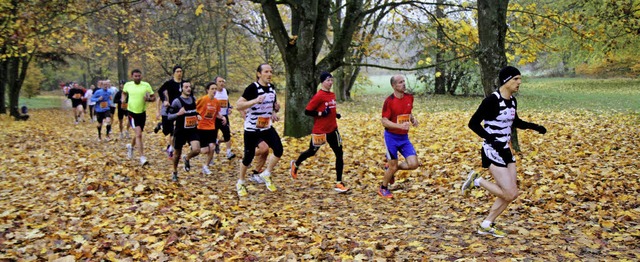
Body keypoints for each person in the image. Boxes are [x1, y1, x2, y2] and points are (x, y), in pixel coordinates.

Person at [462, 66, 547, 238]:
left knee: (512, 193)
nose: (519, 83)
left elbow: (516, 121)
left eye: (520, 79)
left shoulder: (512, 101)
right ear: (506, 81)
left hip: (506, 150)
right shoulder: (491, 101)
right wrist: (491, 138)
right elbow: (473, 123)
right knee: (508, 192)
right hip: (492, 150)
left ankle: (486, 224)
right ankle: (477, 181)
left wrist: (535, 127)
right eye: (516, 79)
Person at [290, 72, 349, 193]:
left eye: (332, 80)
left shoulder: (332, 94)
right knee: (312, 152)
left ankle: (339, 182)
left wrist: (335, 114)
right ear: (322, 82)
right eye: (328, 80)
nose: (330, 82)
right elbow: (308, 111)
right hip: (320, 131)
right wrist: (321, 114)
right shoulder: (318, 96)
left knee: (339, 153)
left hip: (333, 129)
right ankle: (296, 164)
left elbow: (330, 108)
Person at [234, 63, 282, 196]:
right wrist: (254, 101)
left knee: (278, 150)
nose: (269, 74)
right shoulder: (252, 88)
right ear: (259, 74)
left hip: (266, 127)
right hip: (252, 128)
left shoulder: (272, 88)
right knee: (248, 157)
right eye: (266, 72)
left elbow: (272, 106)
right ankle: (241, 182)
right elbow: (238, 105)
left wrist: (274, 111)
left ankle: (266, 173)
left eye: (271, 72)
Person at [378, 75, 420, 198]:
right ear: (394, 86)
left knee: (413, 164)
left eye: (403, 82)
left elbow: (407, 112)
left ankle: (391, 169)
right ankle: (383, 188)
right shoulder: (389, 101)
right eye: (400, 82)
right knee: (393, 165)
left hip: (404, 138)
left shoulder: (409, 98)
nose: (403, 84)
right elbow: (384, 121)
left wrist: (413, 119)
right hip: (391, 138)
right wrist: (400, 126)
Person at [167, 81, 201, 182]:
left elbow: (195, 111)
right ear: (181, 89)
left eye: (190, 87)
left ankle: (186, 158)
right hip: (180, 131)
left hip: (192, 130)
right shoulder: (177, 101)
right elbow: (169, 116)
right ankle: (174, 171)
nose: (188, 89)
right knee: (177, 153)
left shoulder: (193, 99)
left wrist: (197, 115)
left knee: (197, 150)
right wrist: (178, 113)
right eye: (186, 87)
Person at [122, 69, 156, 166]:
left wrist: (148, 99)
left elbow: (154, 97)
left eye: (139, 76)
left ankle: (131, 146)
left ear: (141, 76)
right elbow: (124, 93)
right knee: (139, 134)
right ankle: (142, 157)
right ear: (132, 76)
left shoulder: (146, 85)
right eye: (135, 76)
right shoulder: (128, 85)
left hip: (142, 113)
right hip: (131, 112)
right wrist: (123, 100)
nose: (137, 77)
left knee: (138, 134)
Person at [196, 82, 225, 175]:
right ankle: (192, 152)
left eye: (215, 89)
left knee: (212, 147)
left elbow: (216, 113)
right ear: (207, 90)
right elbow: (194, 109)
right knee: (205, 150)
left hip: (211, 127)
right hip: (201, 127)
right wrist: (196, 117)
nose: (214, 91)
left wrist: (223, 117)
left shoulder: (216, 101)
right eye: (212, 89)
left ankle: (206, 166)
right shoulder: (203, 100)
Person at [157, 65, 185, 158]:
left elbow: (190, 92)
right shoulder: (169, 83)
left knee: (175, 131)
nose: (179, 73)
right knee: (167, 131)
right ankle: (161, 126)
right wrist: (164, 100)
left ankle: (171, 148)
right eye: (177, 71)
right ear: (174, 73)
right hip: (169, 109)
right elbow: (160, 91)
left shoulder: (184, 83)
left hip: (180, 110)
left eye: (180, 71)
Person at [212, 76, 236, 159]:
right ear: (216, 83)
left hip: (224, 117)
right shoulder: (213, 93)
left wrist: (229, 108)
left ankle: (228, 152)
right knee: (213, 136)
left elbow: (227, 102)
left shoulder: (225, 91)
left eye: (223, 81)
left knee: (227, 134)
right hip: (215, 117)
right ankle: (211, 156)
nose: (222, 83)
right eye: (220, 81)